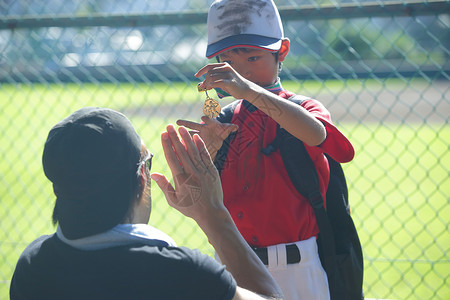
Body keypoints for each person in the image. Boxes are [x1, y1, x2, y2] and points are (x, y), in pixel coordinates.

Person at [176, 0, 355, 299]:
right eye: (229, 60)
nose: (241, 71)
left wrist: (250, 92)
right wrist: (207, 151)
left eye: (253, 57)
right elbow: (198, 193)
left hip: (298, 268)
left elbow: (325, 139)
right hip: (235, 264)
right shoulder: (225, 120)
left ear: (281, 51)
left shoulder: (303, 109)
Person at [9, 107, 284, 300]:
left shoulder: (33, 267)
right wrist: (213, 215)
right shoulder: (184, 273)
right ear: (142, 175)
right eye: (147, 161)